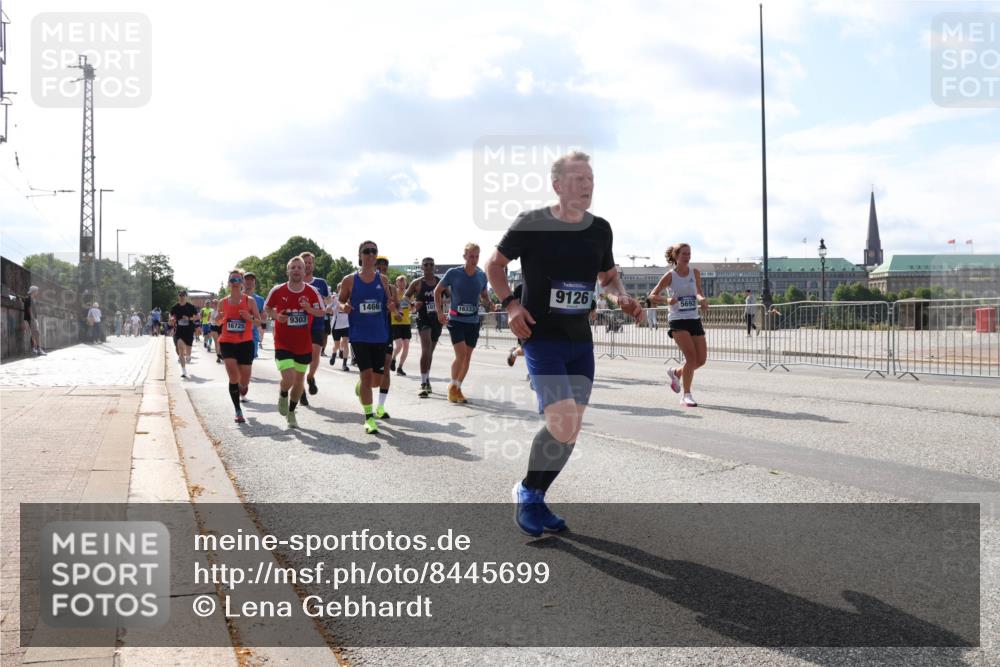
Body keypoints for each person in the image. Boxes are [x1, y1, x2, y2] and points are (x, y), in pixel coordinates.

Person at [485, 150, 645, 538]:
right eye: (578, 179)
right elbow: (494, 265)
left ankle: (536, 495)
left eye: (590, 179)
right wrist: (511, 305)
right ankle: (526, 491)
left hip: (579, 342)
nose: (587, 185)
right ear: (558, 185)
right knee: (562, 423)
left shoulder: (600, 229)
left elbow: (608, 278)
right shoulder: (532, 223)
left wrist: (621, 297)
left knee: (570, 432)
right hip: (541, 338)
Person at [338, 241, 396, 434]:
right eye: (367, 251)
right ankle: (369, 418)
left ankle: (362, 386)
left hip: (380, 335)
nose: (371, 254)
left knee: (375, 381)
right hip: (359, 335)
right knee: (366, 374)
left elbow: (389, 302)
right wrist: (344, 307)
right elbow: (340, 301)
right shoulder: (350, 280)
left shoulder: (383, 280)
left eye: (374, 251)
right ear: (360, 255)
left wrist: (391, 306)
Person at [265, 257, 327, 428]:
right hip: (283, 342)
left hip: (303, 344)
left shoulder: (312, 291)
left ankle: (292, 412)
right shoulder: (278, 290)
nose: (296, 270)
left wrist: (309, 309)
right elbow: (267, 308)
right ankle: (283, 393)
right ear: (288, 271)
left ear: (304, 271)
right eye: (293, 267)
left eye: (300, 267)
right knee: (289, 378)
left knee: (299, 381)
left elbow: (322, 312)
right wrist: (277, 316)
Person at [649, 242, 709, 407]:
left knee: (701, 360)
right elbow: (652, 295)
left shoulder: (695, 272)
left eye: (689, 253)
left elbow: (698, 292)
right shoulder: (670, 275)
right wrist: (667, 299)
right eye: (684, 254)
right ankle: (686, 395)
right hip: (677, 319)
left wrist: (702, 299)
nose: (687, 257)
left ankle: (676, 372)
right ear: (676, 256)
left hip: (694, 318)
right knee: (691, 358)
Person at [435, 243, 492, 404]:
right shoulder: (454, 273)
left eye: (477, 256)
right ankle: (452, 386)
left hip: (473, 321)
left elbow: (484, 295)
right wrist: (439, 312)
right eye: (471, 256)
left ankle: (458, 388)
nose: (474, 259)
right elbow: (437, 291)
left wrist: (489, 303)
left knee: (467, 358)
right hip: (456, 320)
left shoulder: (481, 276)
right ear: (465, 256)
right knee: (461, 355)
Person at [216, 270, 262, 423]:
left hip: (245, 343)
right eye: (232, 280)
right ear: (229, 283)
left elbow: (259, 322)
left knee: (244, 379)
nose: (235, 282)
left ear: (242, 283)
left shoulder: (250, 301)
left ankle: (243, 386)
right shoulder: (222, 302)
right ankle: (238, 410)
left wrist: (250, 317)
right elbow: (217, 322)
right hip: (227, 342)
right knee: (233, 376)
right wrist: (219, 318)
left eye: (238, 279)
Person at [405, 257, 446, 398]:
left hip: (437, 319)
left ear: (434, 266)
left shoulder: (440, 282)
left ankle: (427, 379)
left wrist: (441, 301)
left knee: (430, 352)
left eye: (431, 264)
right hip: (423, 319)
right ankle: (423, 384)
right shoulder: (417, 283)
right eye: (426, 265)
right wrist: (413, 304)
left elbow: (450, 296)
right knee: (426, 349)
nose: (428, 267)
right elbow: (406, 296)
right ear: (422, 267)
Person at [300, 251, 330, 406]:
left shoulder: (321, 283)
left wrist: (325, 304)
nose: (308, 265)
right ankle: (300, 390)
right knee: (300, 359)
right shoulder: (295, 283)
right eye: (305, 262)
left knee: (315, 354)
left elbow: (328, 301)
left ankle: (310, 376)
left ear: (313, 264)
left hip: (317, 323)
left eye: (310, 262)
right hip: (299, 325)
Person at [373, 255, 397, 418]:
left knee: (386, 367)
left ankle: (380, 407)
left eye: (384, 269)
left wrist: (396, 310)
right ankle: (363, 383)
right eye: (379, 268)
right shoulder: (366, 284)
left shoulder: (391, 288)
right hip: (369, 332)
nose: (382, 271)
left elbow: (394, 307)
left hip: (386, 330)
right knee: (371, 374)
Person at [169, 290, 200, 378]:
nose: (181, 297)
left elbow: (198, 316)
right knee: (180, 348)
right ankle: (183, 370)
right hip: (179, 330)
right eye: (180, 295)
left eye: (183, 295)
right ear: (178, 296)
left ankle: (189, 356)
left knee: (188, 352)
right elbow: (171, 315)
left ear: (186, 296)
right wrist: (171, 319)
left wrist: (189, 318)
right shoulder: (175, 307)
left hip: (189, 331)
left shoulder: (191, 307)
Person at [390, 275, 413, 376]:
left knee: (406, 346)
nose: (401, 283)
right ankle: (393, 359)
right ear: (396, 283)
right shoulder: (393, 293)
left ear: (406, 283)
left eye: (403, 281)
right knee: (399, 345)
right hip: (395, 322)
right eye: (399, 281)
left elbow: (412, 308)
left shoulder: (409, 294)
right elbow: (391, 306)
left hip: (406, 322)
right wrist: (397, 312)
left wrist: (412, 307)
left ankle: (400, 367)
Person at [244, 272, 267, 359]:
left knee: (249, 360)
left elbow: (262, 318)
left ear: (255, 283)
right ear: (242, 282)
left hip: (253, 334)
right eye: (247, 279)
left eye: (252, 279)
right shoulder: (237, 297)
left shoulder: (260, 300)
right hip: (238, 333)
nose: (249, 281)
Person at [328, 284, 351, 371]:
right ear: (338, 289)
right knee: (337, 345)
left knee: (345, 342)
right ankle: (334, 354)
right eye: (340, 288)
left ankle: (344, 364)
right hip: (336, 325)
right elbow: (328, 310)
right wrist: (334, 307)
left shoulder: (350, 298)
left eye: (343, 288)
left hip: (346, 324)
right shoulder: (334, 298)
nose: (342, 290)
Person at [23, 286, 46, 355]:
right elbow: (29, 310)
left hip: (32, 318)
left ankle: (34, 349)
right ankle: (38, 349)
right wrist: (33, 319)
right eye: (36, 291)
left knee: (34, 333)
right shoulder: (29, 299)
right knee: (37, 333)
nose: (37, 292)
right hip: (31, 319)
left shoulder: (32, 299)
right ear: (33, 291)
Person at [209, 298, 223, 362]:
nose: (215, 304)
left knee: (220, 342)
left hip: (220, 326)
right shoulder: (211, 312)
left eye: (216, 303)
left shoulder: (221, 311)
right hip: (214, 327)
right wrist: (213, 320)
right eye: (213, 303)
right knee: (216, 342)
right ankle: (218, 356)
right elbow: (210, 320)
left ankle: (220, 354)